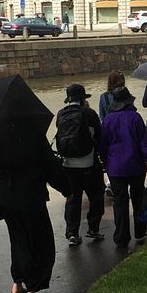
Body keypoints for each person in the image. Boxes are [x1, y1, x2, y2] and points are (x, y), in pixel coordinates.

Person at [0, 139, 70, 293]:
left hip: (6, 197)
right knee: (38, 244)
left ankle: (17, 285)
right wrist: (67, 189)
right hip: (31, 197)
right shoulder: (30, 133)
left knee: (18, 241)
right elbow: (51, 167)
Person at [99, 87, 147, 247]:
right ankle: (140, 230)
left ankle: (121, 237)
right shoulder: (135, 118)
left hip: (115, 168)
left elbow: (103, 146)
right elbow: (144, 144)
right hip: (135, 166)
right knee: (138, 199)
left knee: (120, 202)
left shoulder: (108, 120)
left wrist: (106, 162)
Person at [55, 83, 105, 245]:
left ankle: (72, 233)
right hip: (89, 163)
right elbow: (99, 137)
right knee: (97, 195)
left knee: (72, 199)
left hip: (68, 166)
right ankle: (93, 228)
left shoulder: (60, 114)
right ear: (83, 99)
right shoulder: (90, 114)